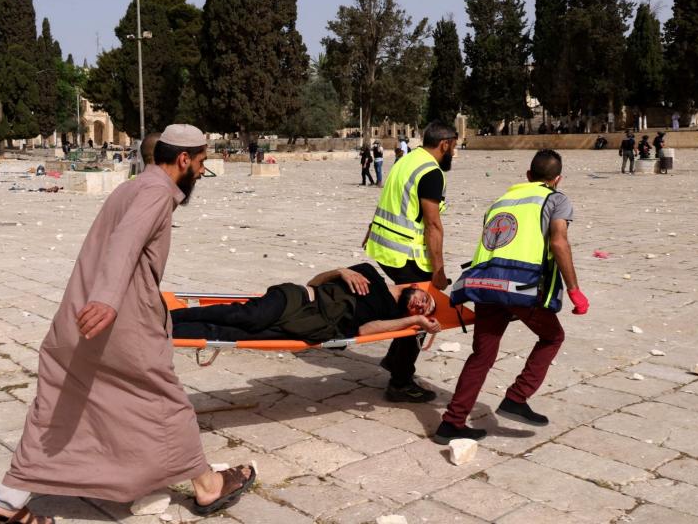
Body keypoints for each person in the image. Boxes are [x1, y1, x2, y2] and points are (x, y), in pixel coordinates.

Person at [0, 125, 254, 524]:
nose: (201, 170)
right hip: (119, 321)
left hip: (78, 316)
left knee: (59, 403)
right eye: (201, 162)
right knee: (163, 401)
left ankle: (7, 499)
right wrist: (107, 298)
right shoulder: (156, 192)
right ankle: (208, 486)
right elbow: (125, 241)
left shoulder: (133, 186)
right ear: (183, 160)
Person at [435, 150, 588, 444]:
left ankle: (451, 422)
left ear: (528, 176)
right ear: (557, 179)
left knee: (482, 355)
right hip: (521, 287)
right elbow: (558, 240)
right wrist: (574, 289)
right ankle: (517, 397)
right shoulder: (556, 199)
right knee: (552, 337)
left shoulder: (500, 201)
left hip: (485, 285)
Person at [363, 121, 458, 402]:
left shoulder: (408, 160)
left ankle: (396, 363)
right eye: (454, 145)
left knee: (409, 307)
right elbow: (432, 225)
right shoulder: (431, 172)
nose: (455, 151)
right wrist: (438, 271)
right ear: (445, 144)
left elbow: (392, 200)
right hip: (405, 252)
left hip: (384, 245)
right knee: (422, 310)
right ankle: (400, 381)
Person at [171, 264, 441, 342]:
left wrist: (415, 321)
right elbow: (314, 282)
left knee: (229, 335)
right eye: (424, 300)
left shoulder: (394, 318)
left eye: (422, 310)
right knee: (245, 317)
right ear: (416, 288)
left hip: (308, 327)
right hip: (296, 300)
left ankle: (167, 331)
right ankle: (172, 316)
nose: (420, 306)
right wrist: (339, 272)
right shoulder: (369, 273)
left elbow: (364, 331)